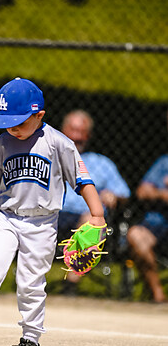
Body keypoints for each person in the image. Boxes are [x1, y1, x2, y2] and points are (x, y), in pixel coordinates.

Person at [0, 77, 105, 346]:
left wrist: (97, 215)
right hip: (5, 217)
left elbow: (82, 181)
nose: (12, 127)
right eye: (7, 121)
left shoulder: (59, 143)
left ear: (39, 115)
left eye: (19, 121)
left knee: (30, 283)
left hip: (43, 224)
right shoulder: (1, 144)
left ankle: (30, 342)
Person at [58, 110, 131, 287]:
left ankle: (71, 282)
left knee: (91, 219)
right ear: (62, 132)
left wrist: (113, 195)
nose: (76, 137)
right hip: (53, 214)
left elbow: (124, 193)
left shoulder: (102, 163)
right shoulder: (50, 158)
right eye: (72, 130)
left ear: (88, 135)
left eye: (81, 132)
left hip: (85, 217)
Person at [127, 136, 168, 303]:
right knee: (136, 235)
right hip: (158, 225)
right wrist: (162, 194)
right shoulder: (164, 163)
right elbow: (142, 191)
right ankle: (157, 294)